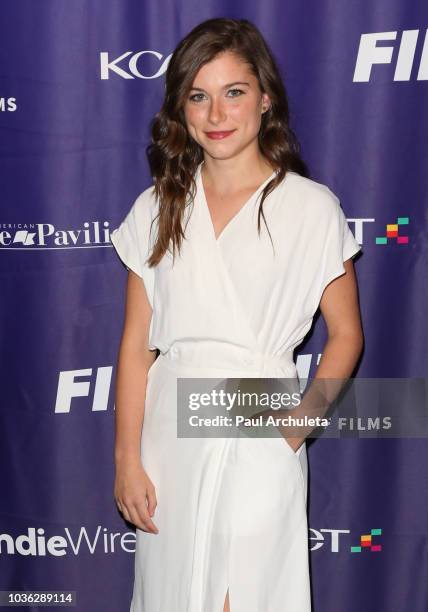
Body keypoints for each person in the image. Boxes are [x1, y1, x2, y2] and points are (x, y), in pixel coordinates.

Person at [110, 17, 363, 612]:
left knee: (245, 595)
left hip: (262, 422)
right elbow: (135, 346)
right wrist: (126, 458)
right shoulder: (156, 208)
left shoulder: (310, 207)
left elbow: (347, 334)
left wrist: (294, 429)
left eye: (234, 92)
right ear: (181, 109)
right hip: (168, 436)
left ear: (265, 98)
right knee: (173, 595)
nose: (217, 114)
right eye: (199, 96)